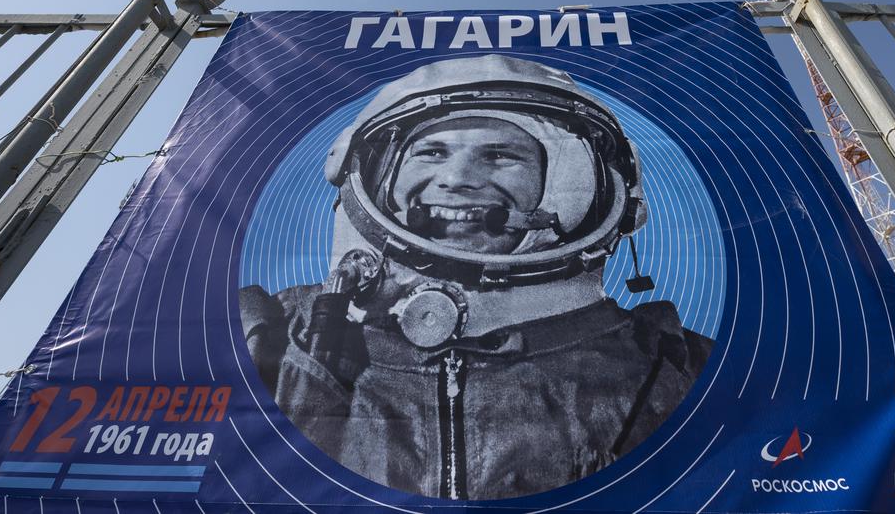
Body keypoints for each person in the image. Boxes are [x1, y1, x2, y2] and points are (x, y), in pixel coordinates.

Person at [238, 55, 713, 500]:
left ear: (575, 189)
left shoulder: (681, 369)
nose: (457, 178)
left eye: (501, 155)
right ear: (377, 175)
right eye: (432, 152)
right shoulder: (265, 336)